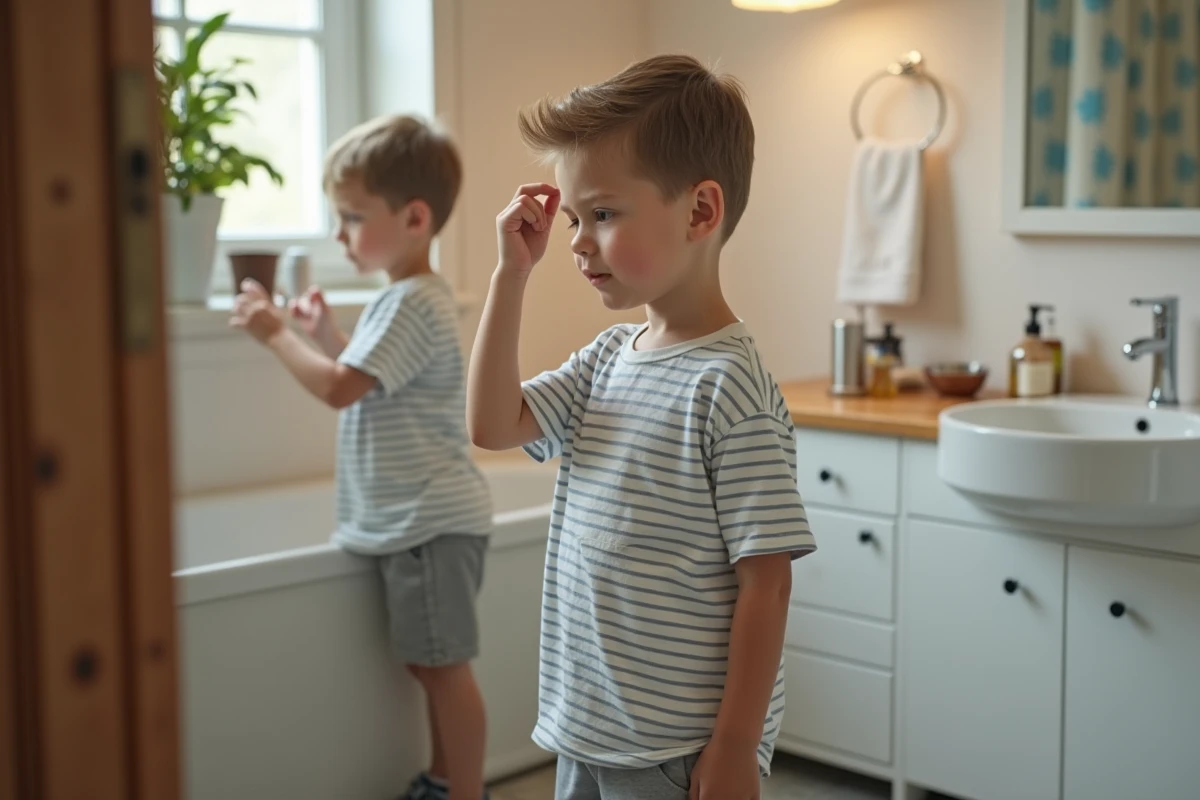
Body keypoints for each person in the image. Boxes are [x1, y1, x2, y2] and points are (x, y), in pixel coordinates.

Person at [466, 55, 817, 800]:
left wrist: (735, 745)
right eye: (573, 219)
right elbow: (493, 424)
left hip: (675, 748)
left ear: (699, 212)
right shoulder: (607, 359)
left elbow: (767, 584)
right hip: (587, 725)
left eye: (603, 214)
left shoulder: (730, 387)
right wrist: (509, 275)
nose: (576, 241)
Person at [230, 114, 492, 800]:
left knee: (444, 670)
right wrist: (325, 333)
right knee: (431, 666)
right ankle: (445, 780)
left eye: (350, 217)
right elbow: (370, 377)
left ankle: (464, 791)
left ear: (414, 218)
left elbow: (340, 389)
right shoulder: (406, 299)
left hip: (429, 522)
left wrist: (278, 336)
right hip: (418, 522)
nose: (339, 234)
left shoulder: (411, 302)